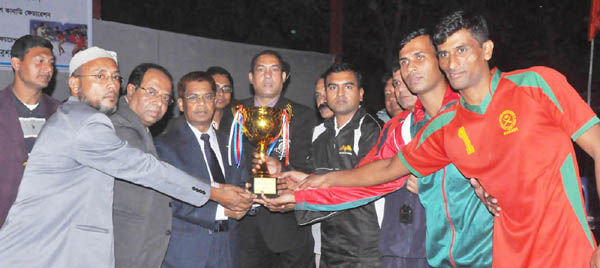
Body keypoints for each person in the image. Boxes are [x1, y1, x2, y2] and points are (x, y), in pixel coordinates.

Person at [266, 10, 600, 268]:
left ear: (486, 49)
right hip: (476, 257)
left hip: (555, 254)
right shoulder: (439, 128)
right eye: (443, 53)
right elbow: (380, 173)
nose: (451, 62)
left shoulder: (534, 85)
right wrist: (311, 184)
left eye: (460, 50)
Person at [0, 46, 253, 267]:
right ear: (75, 84)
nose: (111, 84)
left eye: (115, 77)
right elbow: (145, 169)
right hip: (42, 253)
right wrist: (214, 193)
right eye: (100, 76)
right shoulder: (88, 123)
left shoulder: (76, 117)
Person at [286, 62, 383, 267]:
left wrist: (298, 200)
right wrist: (290, 179)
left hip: (364, 247)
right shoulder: (320, 132)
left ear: (361, 93)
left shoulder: (371, 130)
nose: (340, 93)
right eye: (332, 87)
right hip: (329, 244)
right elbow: (317, 179)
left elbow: (362, 186)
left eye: (348, 86)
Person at [157, 71, 251, 268]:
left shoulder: (233, 144)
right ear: (181, 104)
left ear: (215, 101)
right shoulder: (164, 147)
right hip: (187, 254)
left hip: (230, 251)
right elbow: (167, 200)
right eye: (193, 97)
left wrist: (249, 200)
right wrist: (220, 211)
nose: (202, 103)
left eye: (208, 97)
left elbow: (244, 183)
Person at [238, 50, 316, 268]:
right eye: (261, 70)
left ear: (284, 77)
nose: (268, 76)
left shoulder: (302, 116)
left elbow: (311, 168)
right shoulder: (233, 113)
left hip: (287, 226)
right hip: (244, 225)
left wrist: (281, 166)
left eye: (274, 70)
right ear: (251, 78)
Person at [109, 63, 176, 268]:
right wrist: (214, 191)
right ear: (131, 90)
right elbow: (153, 173)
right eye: (152, 92)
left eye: (165, 97)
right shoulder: (117, 126)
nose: (159, 103)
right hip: (122, 252)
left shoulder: (142, 129)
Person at [0, 35, 61, 228]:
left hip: (47, 226)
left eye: (51, 63)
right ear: (16, 63)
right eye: (40, 61)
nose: (48, 69)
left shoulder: (61, 114)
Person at [206, 66, 236, 134]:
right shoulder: (196, 122)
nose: (221, 93)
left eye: (226, 89)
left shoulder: (237, 123)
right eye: (216, 88)